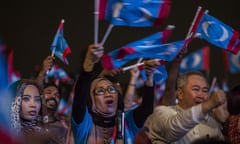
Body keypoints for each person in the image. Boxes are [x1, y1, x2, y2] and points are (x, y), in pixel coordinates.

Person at [71, 44, 158, 143]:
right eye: (100, 91)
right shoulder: (84, 123)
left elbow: (146, 109)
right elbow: (79, 99)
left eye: (112, 89)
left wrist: (149, 77)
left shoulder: (127, 122)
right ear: (91, 100)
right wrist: (88, 64)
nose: (108, 94)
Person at [148, 71, 227, 144]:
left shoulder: (211, 123)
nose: (201, 95)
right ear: (180, 93)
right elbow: (172, 130)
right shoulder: (161, 112)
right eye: (196, 89)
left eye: (205, 91)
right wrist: (209, 104)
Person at [9, 79, 44, 144]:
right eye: (26, 99)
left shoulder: (46, 135)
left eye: (37, 99)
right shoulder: (5, 135)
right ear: (13, 101)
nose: (33, 105)